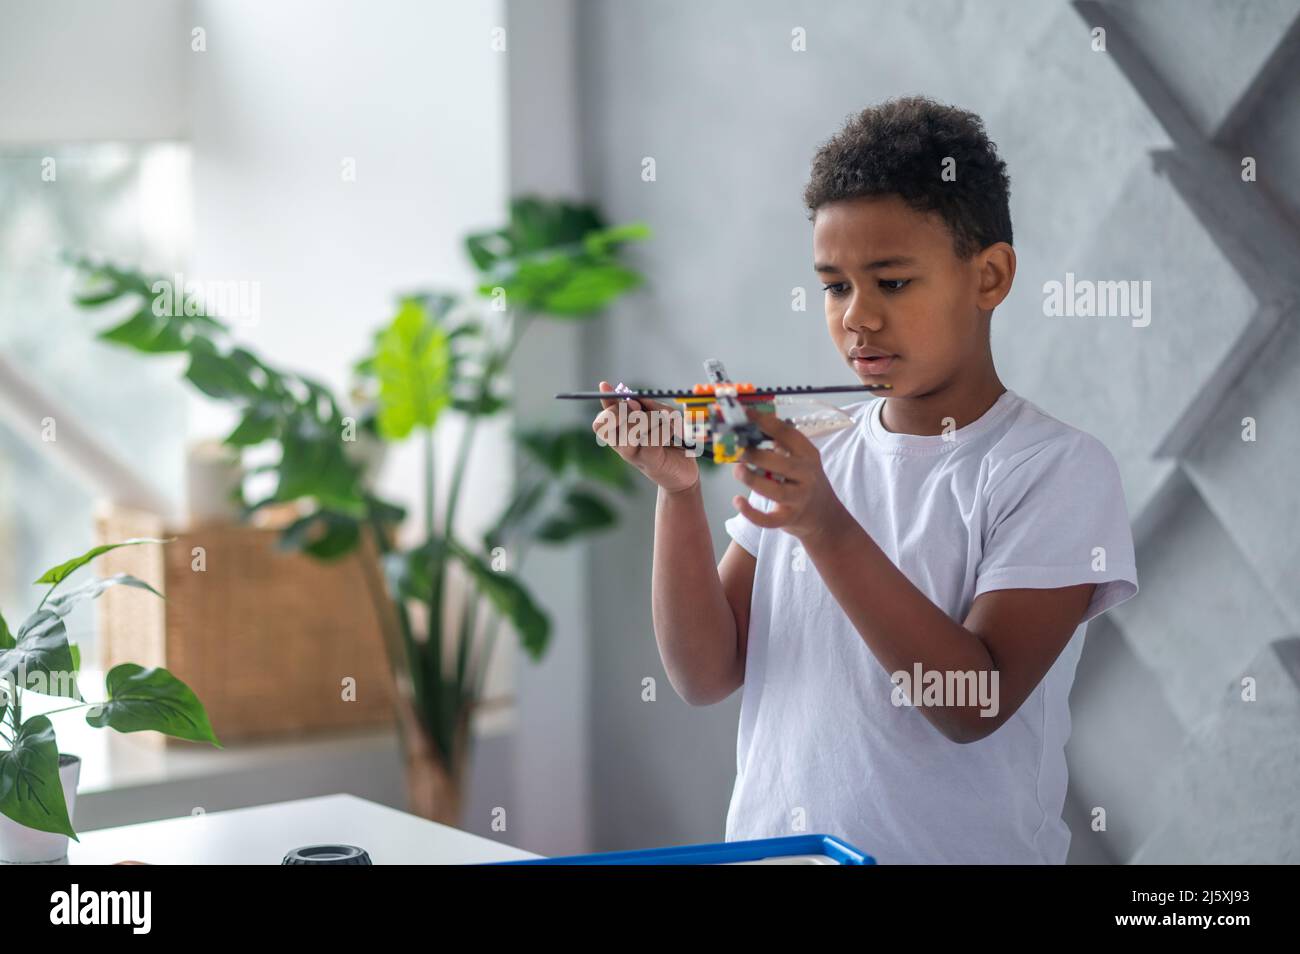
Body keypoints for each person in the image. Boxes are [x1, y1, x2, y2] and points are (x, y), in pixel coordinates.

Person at [591, 96, 1138, 864]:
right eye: (835, 286)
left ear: (989, 276)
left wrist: (825, 525)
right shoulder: (818, 444)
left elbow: (972, 704)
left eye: (893, 283)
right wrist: (678, 492)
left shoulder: (1056, 470)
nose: (858, 318)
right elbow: (706, 673)